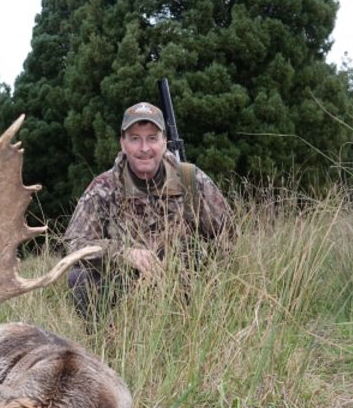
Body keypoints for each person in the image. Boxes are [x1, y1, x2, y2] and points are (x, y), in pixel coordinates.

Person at [63, 101, 234, 322]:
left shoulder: (191, 180)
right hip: (124, 289)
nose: (144, 148)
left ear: (164, 142)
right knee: (79, 279)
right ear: (123, 143)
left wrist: (195, 273)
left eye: (152, 138)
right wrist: (123, 254)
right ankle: (106, 338)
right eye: (135, 139)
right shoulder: (103, 188)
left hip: (186, 290)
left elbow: (228, 236)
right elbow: (73, 245)